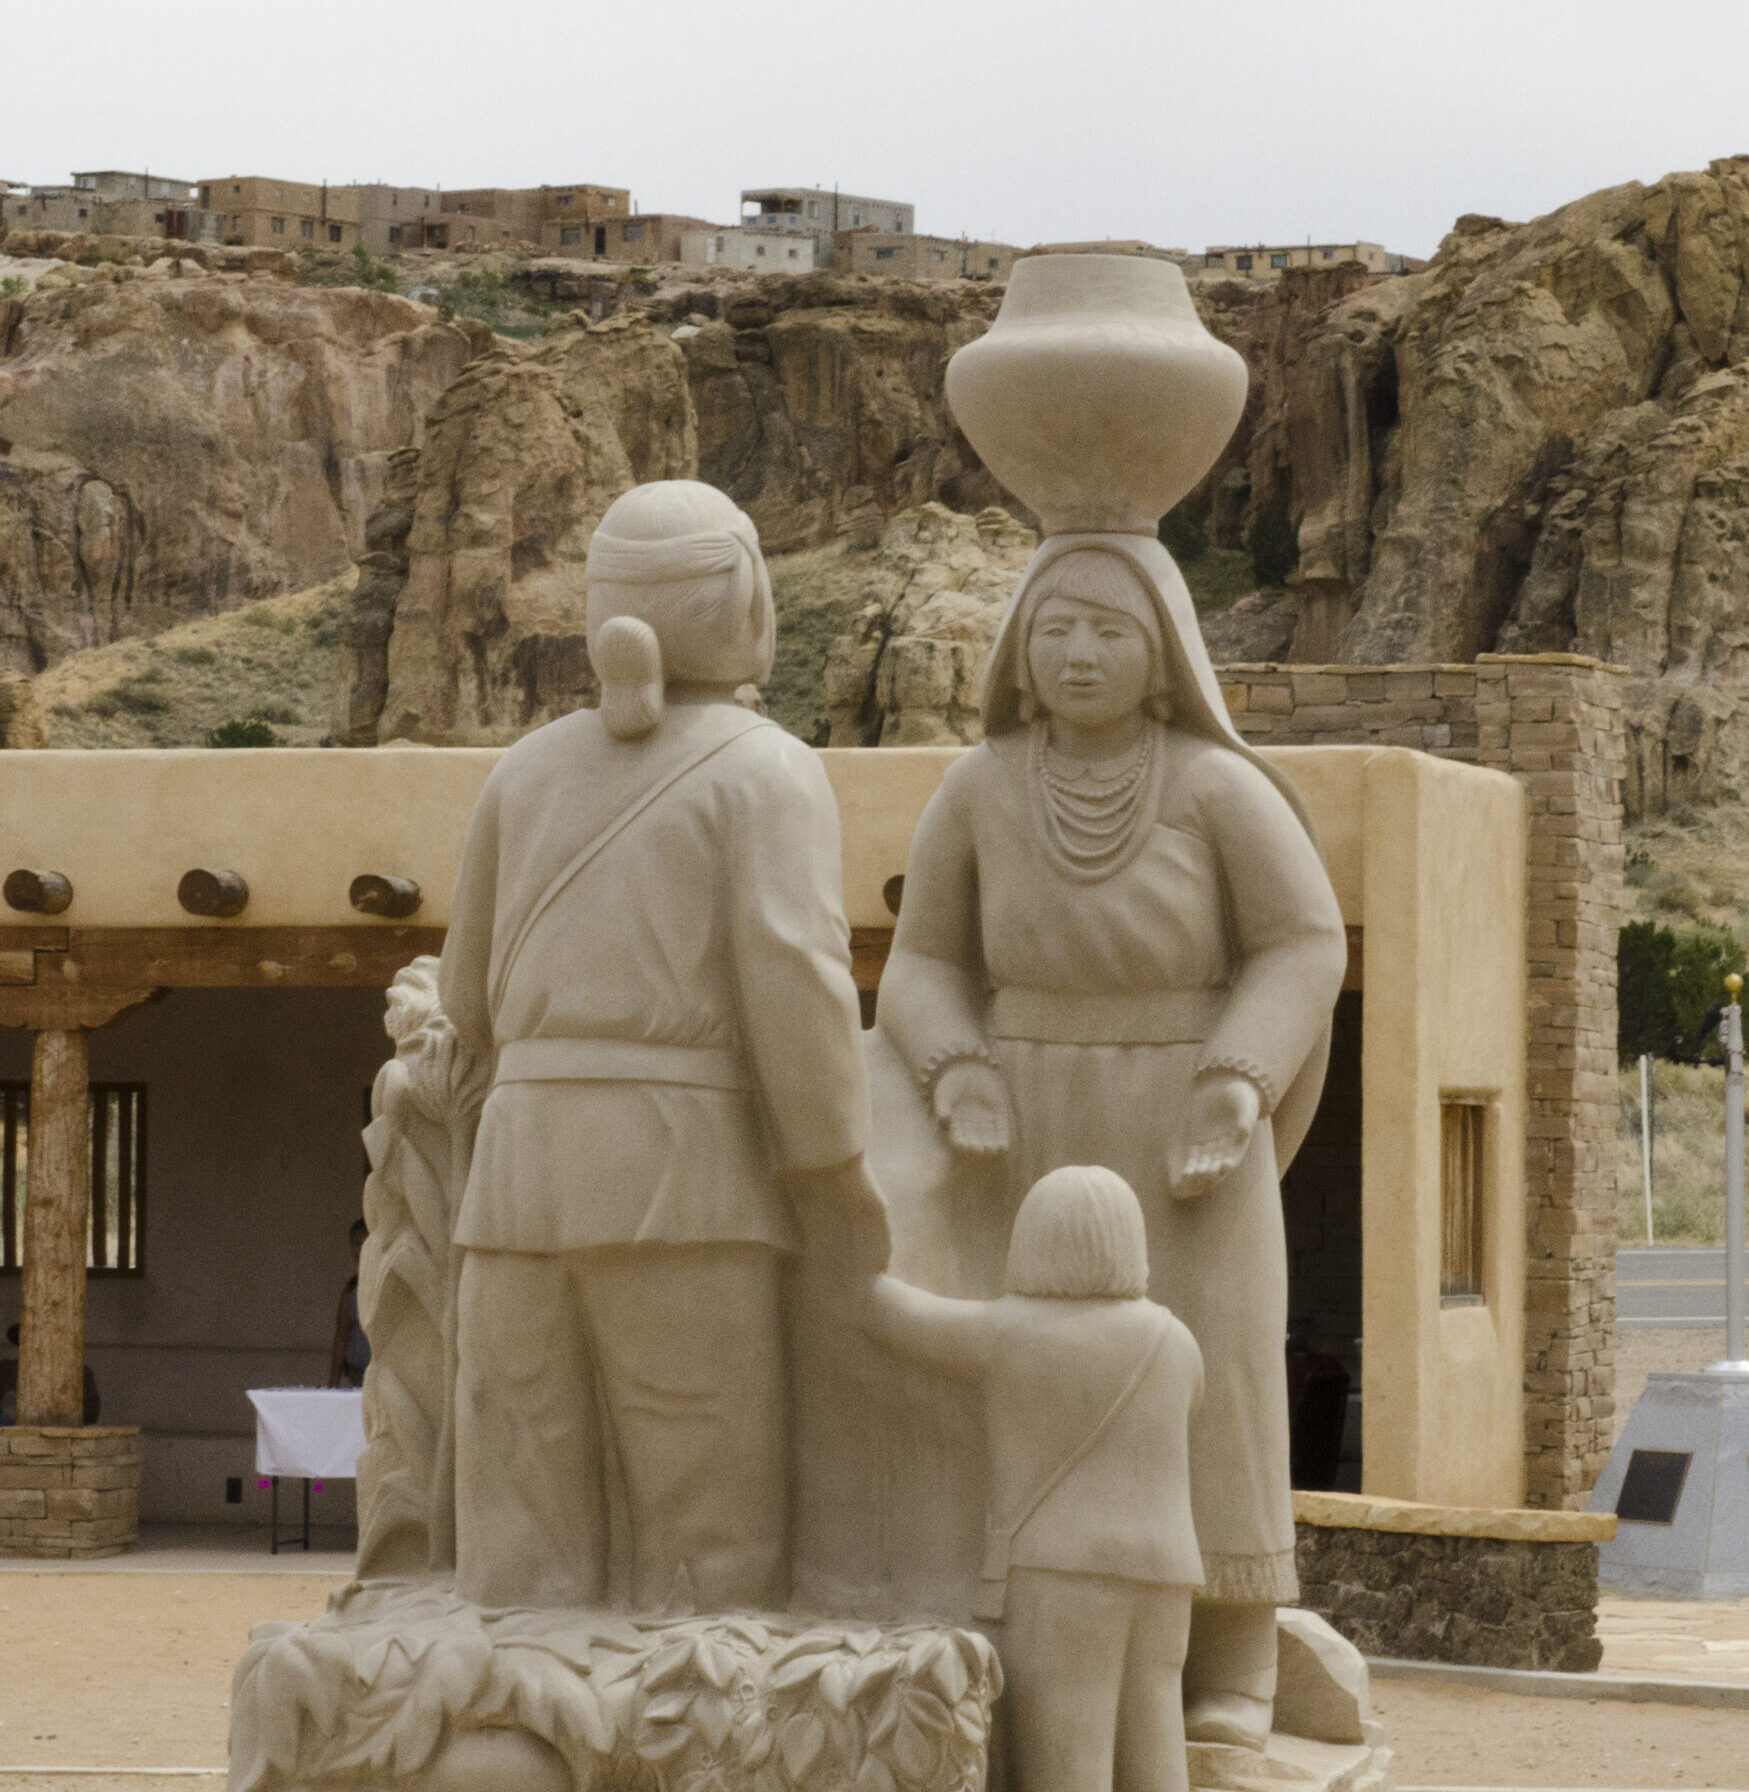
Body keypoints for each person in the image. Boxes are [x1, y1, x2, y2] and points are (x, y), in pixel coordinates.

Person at [875, 534, 1345, 1747]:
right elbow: (923, 961)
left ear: (1163, 658)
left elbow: (1302, 943)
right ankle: (1014, 1633)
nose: (1079, 654)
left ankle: (1231, 1662)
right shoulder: (979, 785)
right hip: (1017, 1118)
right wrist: (956, 1065)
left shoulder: (1212, 785)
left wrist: (1239, 1077)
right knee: (1018, 1375)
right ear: (1019, 657)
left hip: (1186, 1117)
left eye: (1109, 632)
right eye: (1055, 631)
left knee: (1220, 1379)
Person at [438, 479, 877, 1613]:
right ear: (742, 602)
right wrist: (837, 1165)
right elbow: (797, 986)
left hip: (519, 1177)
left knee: (520, 1528)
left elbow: (464, 996)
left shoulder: (522, 770)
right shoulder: (766, 768)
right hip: (686, 1178)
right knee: (706, 1526)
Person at [856, 1166, 1202, 1792]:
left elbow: (891, 1314)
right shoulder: (1174, 1342)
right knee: (1155, 1736)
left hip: (1060, 1572)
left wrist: (843, 1251)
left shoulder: (1008, 1334)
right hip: (1167, 1572)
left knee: (1071, 1751)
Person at [328, 1219, 370, 1389]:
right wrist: (333, 1383)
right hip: (356, 1379)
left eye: (363, 1243)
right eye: (354, 1244)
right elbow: (341, 1337)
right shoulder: (351, 1288)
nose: (358, 1250)